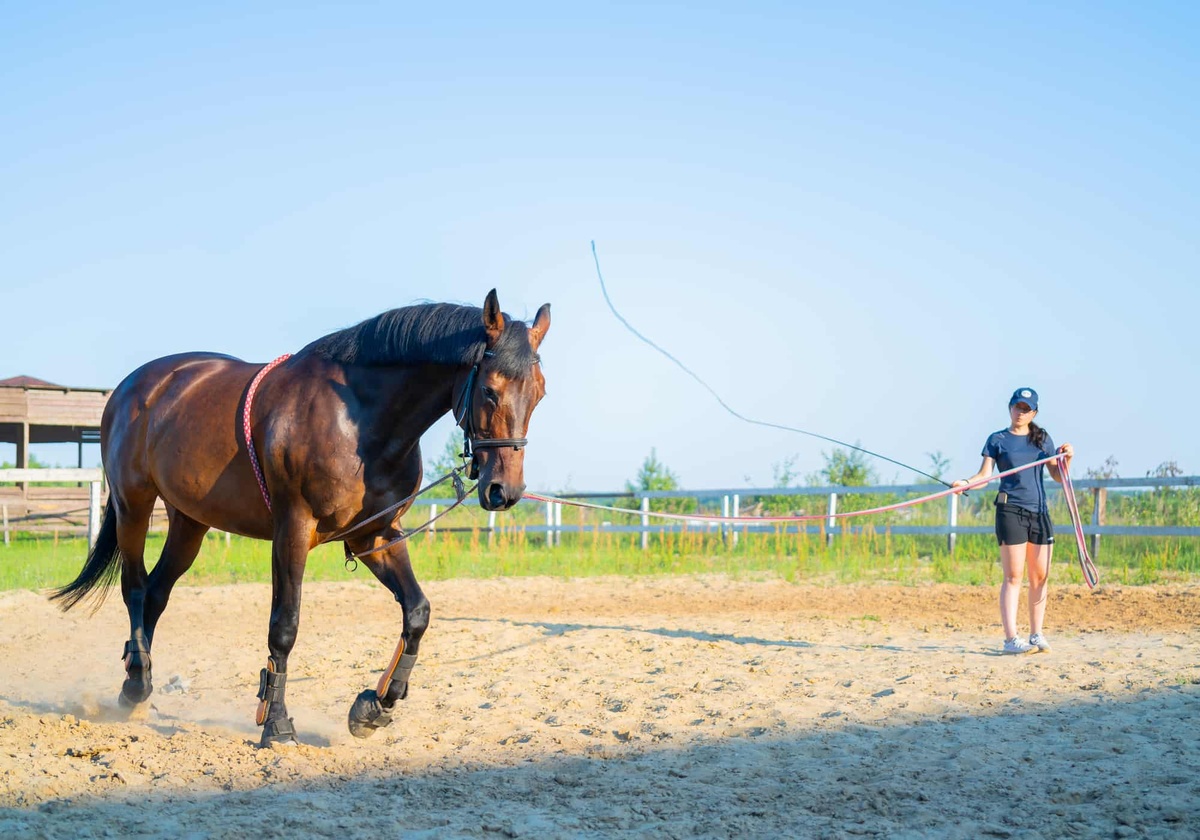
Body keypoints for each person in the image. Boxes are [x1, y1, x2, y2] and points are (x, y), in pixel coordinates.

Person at [952, 388, 1074, 654]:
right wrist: (965, 484)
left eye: (1026, 409)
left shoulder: (1042, 439)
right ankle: (1011, 640)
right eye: (1017, 407)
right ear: (1010, 408)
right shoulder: (997, 440)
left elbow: (1057, 475)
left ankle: (1036, 634)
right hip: (1010, 511)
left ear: (1034, 413)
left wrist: (1067, 459)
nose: (1020, 412)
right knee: (1013, 576)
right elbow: (984, 476)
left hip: (1039, 512)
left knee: (1040, 577)